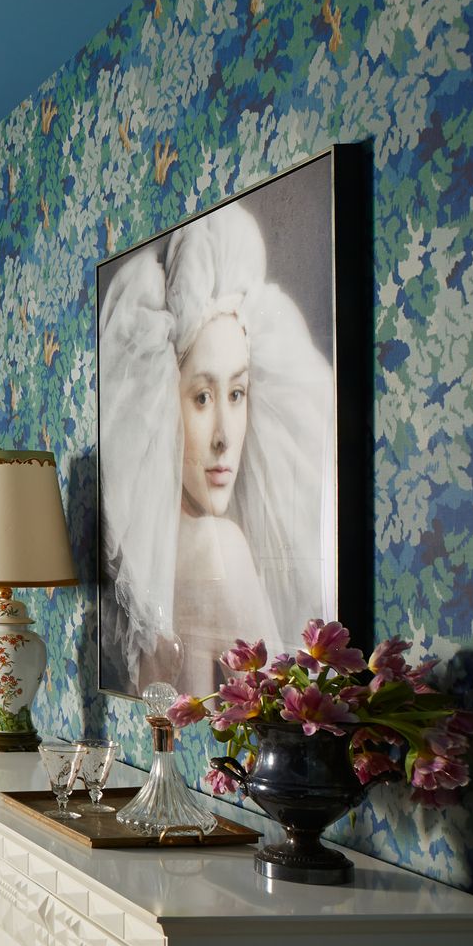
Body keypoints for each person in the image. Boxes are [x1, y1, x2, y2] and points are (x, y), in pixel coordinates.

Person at [98, 200, 334, 697]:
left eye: (237, 393)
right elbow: (286, 717)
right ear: (165, 402)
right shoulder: (214, 546)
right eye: (203, 397)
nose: (225, 435)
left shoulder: (151, 565)